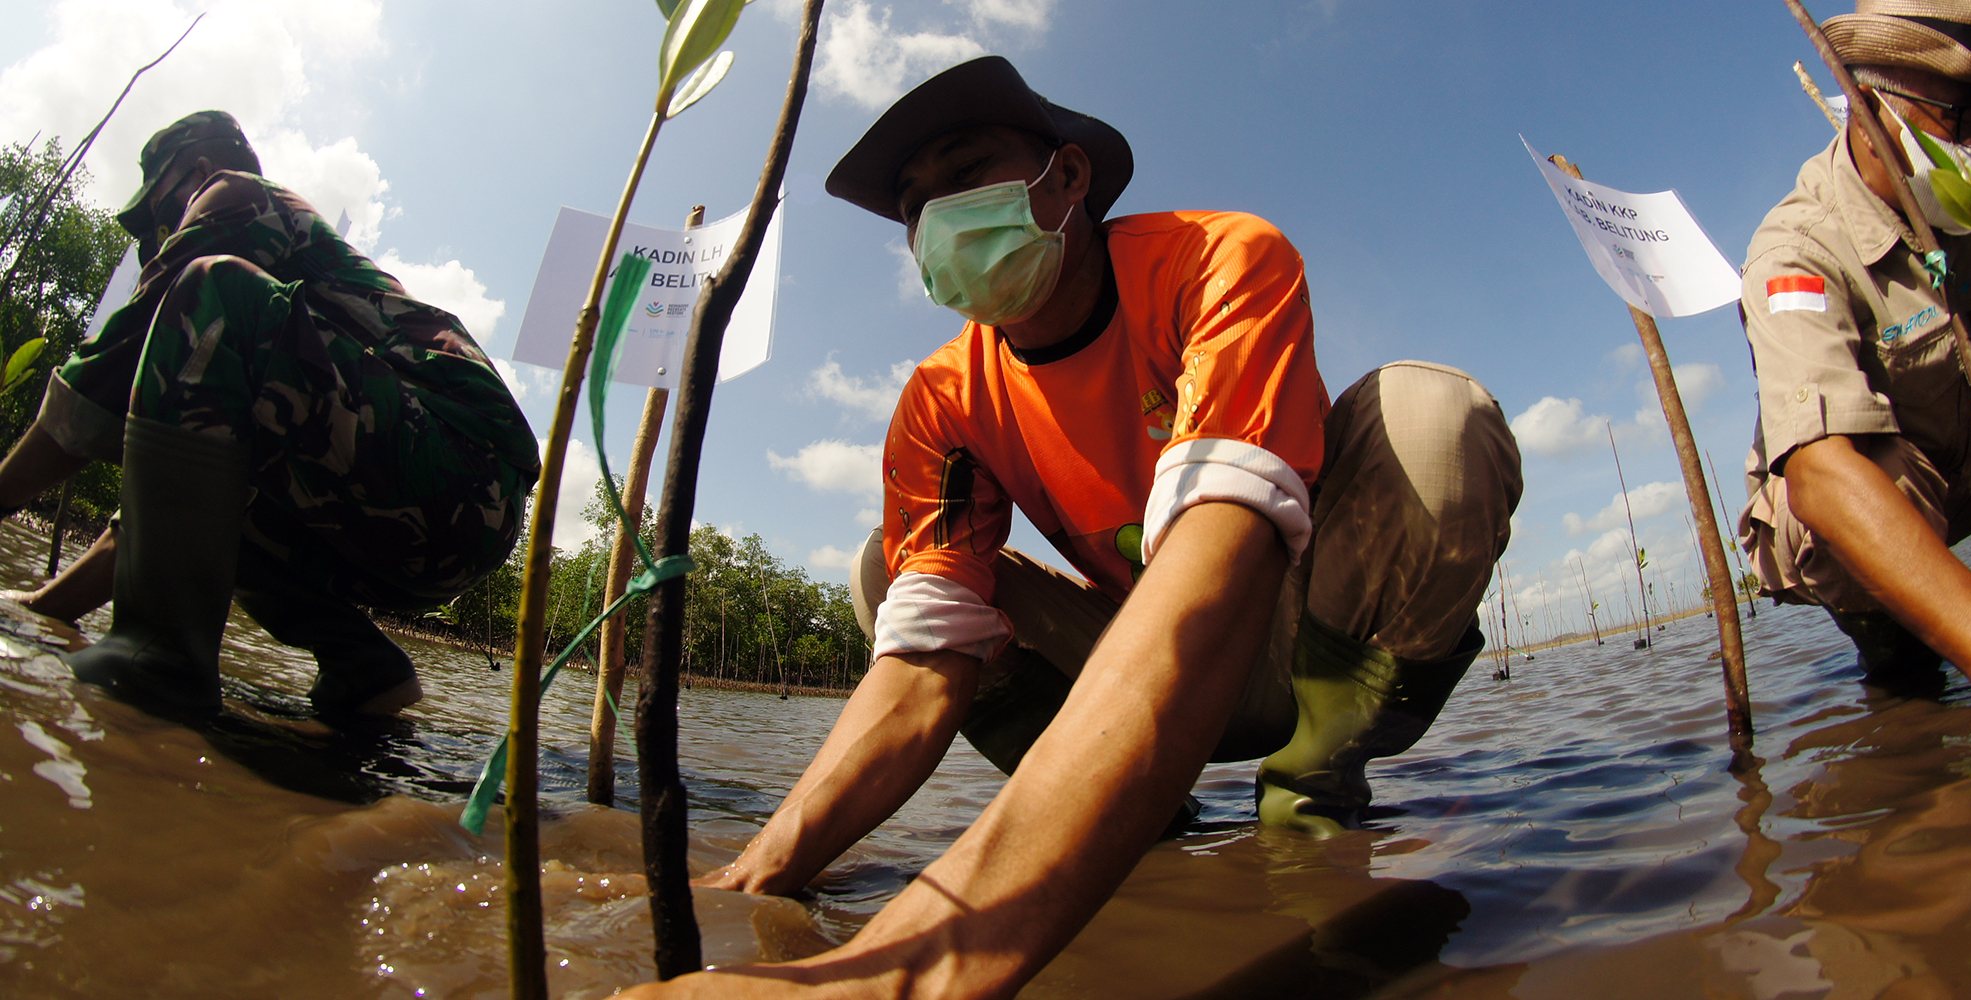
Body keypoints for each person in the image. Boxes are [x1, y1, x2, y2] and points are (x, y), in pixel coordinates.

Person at [624, 58, 1520, 998]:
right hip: (1139, 647)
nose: (938, 220)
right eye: (914, 211)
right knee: (888, 577)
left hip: (1298, 623)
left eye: (966, 174)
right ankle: (1143, 818)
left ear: (1069, 177)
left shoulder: (1214, 260)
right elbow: (922, 673)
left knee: (1431, 418)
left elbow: (1216, 572)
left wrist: (893, 978)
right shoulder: (943, 399)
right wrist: (752, 877)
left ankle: (1314, 790)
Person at [0, 110, 538, 718]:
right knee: (218, 483)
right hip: (450, 516)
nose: (155, 240)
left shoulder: (237, 195)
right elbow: (164, 505)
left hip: (460, 465)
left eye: (157, 216)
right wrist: (41, 611)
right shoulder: (258, 364)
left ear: (201, 171)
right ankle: (361, 666)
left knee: (213, 289)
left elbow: (106, 374)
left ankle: (156, 661)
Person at [1738, 0, 1971, 704]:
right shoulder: (1796, 253)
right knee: (1858, 469)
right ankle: (1903, 663)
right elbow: (1822, 475)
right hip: (1873, 512)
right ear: (1867, 105)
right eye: (1964, 119)